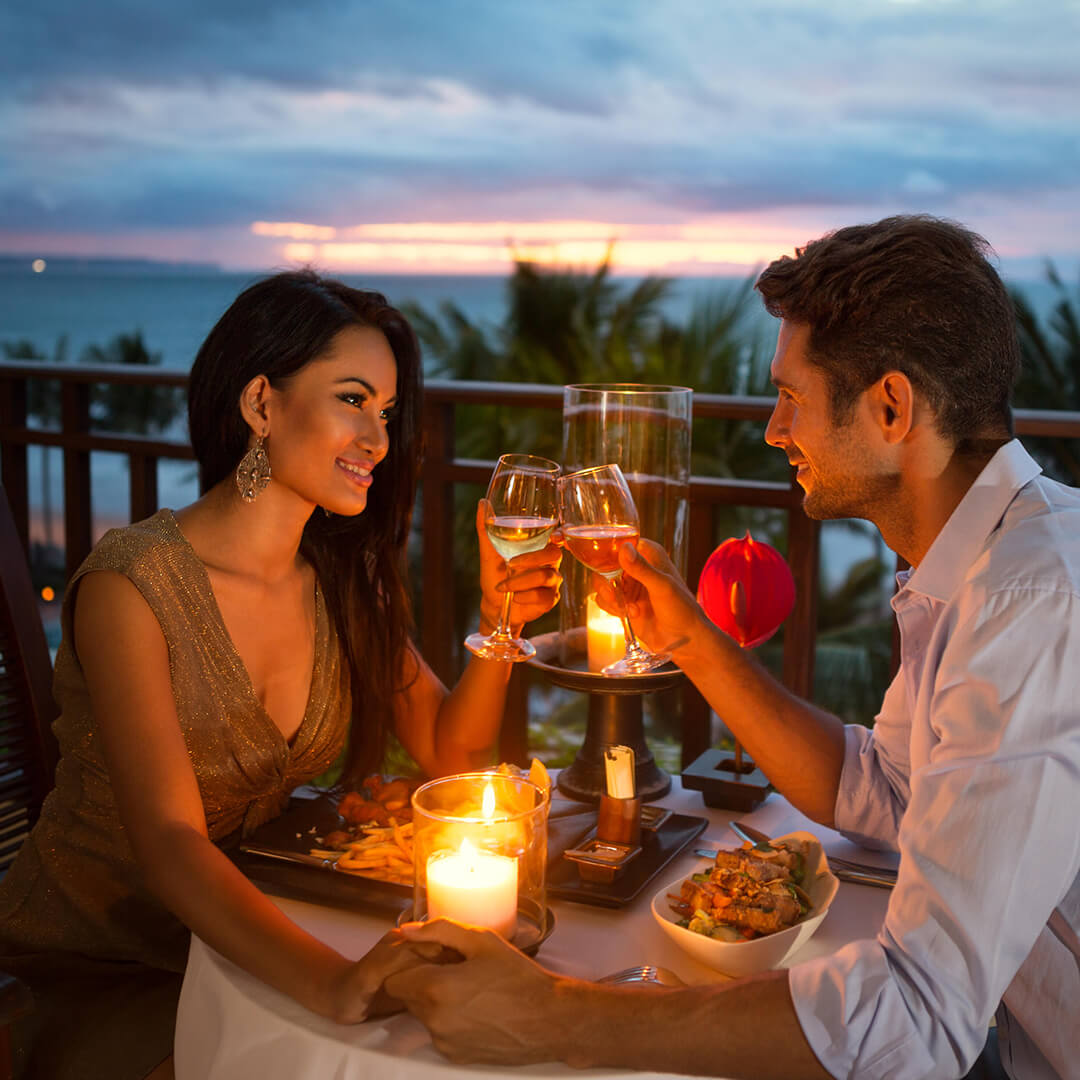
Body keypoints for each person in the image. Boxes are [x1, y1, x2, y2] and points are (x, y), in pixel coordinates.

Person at [386, 216, 1080, 1079]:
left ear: (891, 407)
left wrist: (551, 1017)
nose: (772, 429)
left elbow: (915, 1013)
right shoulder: (980, 564)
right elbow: (886, 792)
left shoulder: (1031, 603)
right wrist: (692, 638)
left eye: (791, 395)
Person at [0, 270, 562, 1080]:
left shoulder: (341, 580)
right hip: (88, 967)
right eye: (352, 399)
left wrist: (499, 623)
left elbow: (450, 753)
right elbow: (169, 842)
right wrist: (336, 984)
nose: (377, 438)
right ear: (262, 404)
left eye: (387, 412)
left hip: (235, 941)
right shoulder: (133, 587)